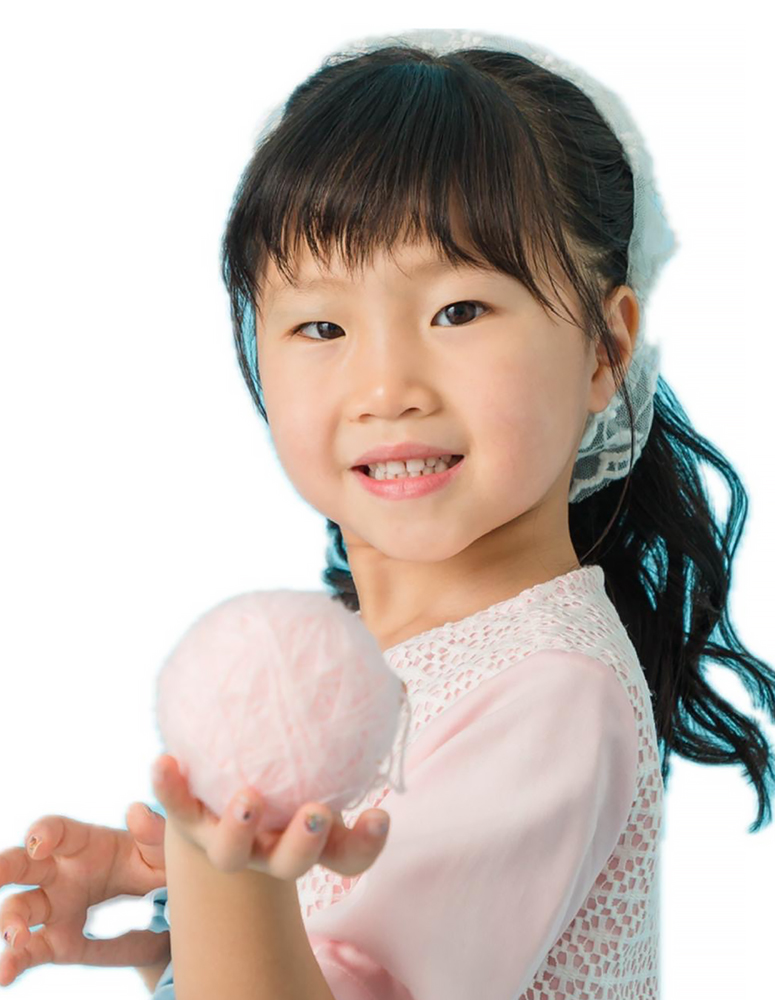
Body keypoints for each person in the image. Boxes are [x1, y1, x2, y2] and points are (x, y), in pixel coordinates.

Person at [2, 28, 773, 1000]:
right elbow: (323, 942)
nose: (385, 387)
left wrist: (220, 874)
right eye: (320, 325)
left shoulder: (550, 693)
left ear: (603, 349)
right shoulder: (377, 659)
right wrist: (172, 900)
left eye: (457, 311)